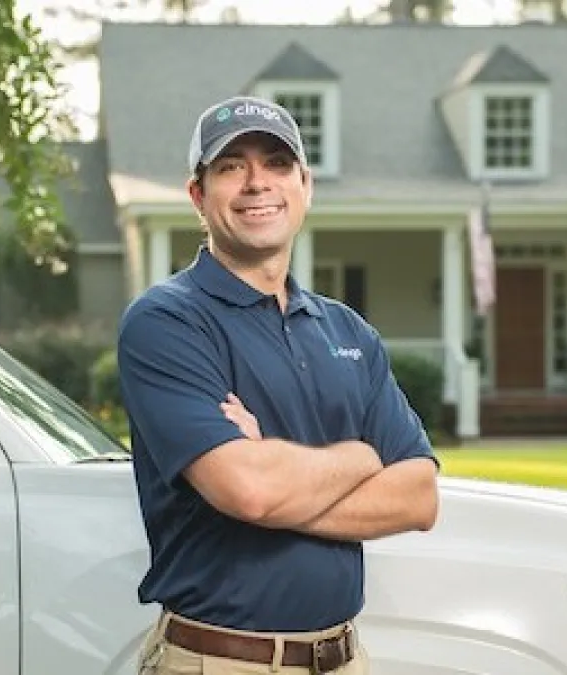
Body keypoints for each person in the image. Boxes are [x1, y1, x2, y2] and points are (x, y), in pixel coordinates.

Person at [117, 95, 439, 675]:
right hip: (219, 661)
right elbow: (249, 491)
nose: (256, 183)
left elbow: (418, 497)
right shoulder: (167, 321)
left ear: (304, 185)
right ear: (198, 195)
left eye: (276, 163)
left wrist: (272, 468)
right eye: (231, 166)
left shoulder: (348, 332)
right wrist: (363, 456)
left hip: (344, 659)